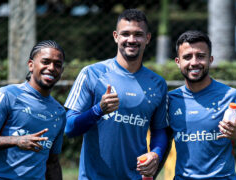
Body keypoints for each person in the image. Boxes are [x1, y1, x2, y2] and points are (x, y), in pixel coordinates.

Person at [64, 9, 169, 179]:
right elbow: (69, 127)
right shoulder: (92, 74)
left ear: (148, 38)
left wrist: (156, 153)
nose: (131, 40)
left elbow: (159, 131)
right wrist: (98, 110)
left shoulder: (157, 84)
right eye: (125, 34)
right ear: (115, 36)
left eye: (138, 34)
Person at [167, 30, 236, 179]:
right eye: (187, 57)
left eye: (201, 56)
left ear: (210, 59)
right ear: (178, 62)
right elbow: (162, 142)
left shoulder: (232, 96)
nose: (194, 62)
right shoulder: (171, 100)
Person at [0, 40, 66, 180]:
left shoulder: (59, 112)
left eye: (57, 64)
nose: (51, 68)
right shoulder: (7, 95)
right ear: (31, 65)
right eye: (45, 62)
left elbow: (52, 163)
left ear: (61, 71)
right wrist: (17, 141)